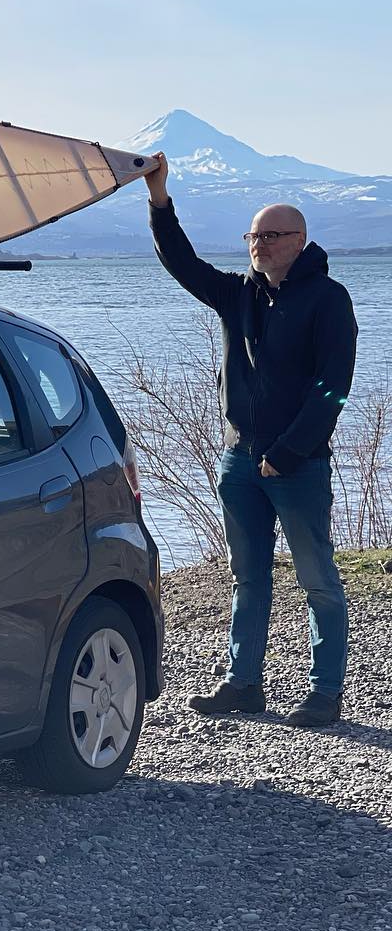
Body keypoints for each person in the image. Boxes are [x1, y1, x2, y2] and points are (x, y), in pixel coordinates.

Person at [143, 151, 357, 727]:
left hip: (299, 464)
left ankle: (325, 691)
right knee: (248, 576)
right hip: (239, 461)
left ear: (299, 240)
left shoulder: (328, 299)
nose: (259, 244)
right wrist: (159, 199)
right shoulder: (238, 294)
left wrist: (288, 451)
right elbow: (182, 263)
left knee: (318, 580)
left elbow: (334, 388)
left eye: (272, 235)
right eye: (253, 236)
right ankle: (243, 684)